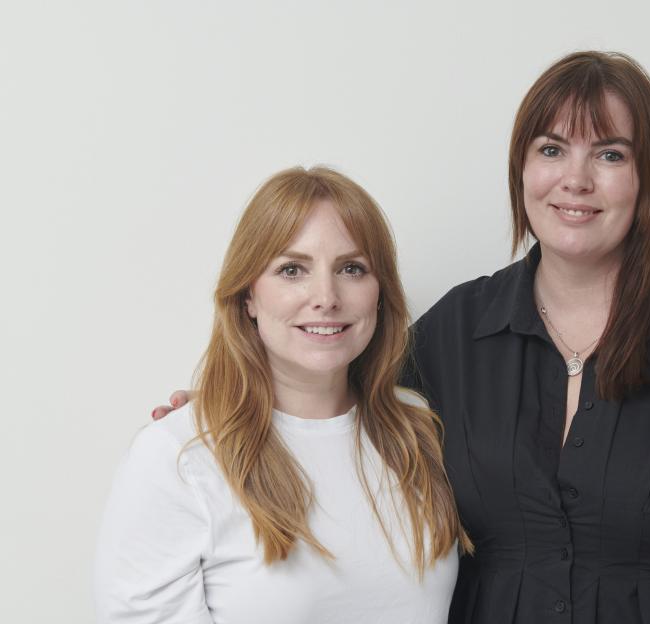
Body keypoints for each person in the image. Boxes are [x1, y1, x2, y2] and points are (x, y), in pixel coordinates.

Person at [154, 52, 650, 623]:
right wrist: (221, 412)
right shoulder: (452, 334)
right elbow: (334, 402)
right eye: (552, 149)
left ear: (648, 179)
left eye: (610, 154)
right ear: (522, 170)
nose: (576, 181)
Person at [95, 167, 470, 624]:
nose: (326, 297)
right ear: (248, 296)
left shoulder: (418, 430)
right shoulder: (179, 456)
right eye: (292, 270)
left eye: (352, 268)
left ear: (379, 293)